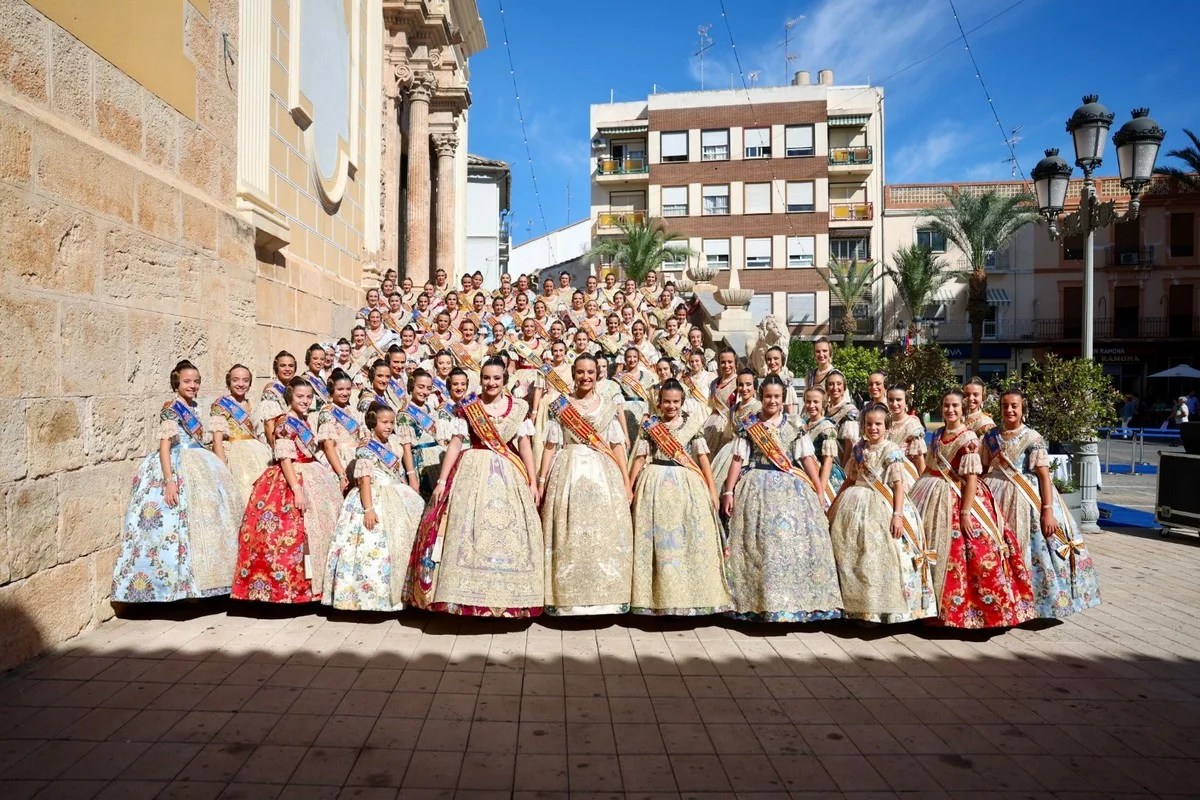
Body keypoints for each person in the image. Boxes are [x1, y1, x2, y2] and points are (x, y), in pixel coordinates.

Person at [409, 357, 544, 616]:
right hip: (473, 470)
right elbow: (455, 443)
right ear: (480, 379)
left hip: (509, 473)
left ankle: (510, 598)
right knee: (468, 530)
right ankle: (465, 598)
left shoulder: (518, 408)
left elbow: (524, 445)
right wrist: (442, 481)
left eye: (496, 378)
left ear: (505, 380)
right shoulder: (469, 406)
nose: (491, 383)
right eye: (486, 378)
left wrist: (532, 480)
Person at [113, 360, 241, 602]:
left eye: (196, 381)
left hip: (199, 461)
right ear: (176, 383)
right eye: (187, 381)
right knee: (176, 525)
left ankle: (202, 585)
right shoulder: (171, 409)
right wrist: (169, 481)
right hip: (177, 464)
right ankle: (172, 587)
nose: (193, 386)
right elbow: (164, 447)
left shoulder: (194, 407)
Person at [908, 390, 1034, 628]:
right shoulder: (937, 434)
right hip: (930, 493)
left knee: (972, 551)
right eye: (946, 406)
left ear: (962, 409)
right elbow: (930, 465)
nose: (950, 410)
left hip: (958, 497)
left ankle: (960, 612)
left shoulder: (968, 440)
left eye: (955, 406)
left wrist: (965, 512)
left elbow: (972, 478)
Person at [721, 375, 842, 622]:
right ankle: (757, 602)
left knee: (791, 542)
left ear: (783, 398)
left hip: (791, 487)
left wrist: (819, 489)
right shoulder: (749, 424)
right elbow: (738, 459)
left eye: (777, 396)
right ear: (761, 396)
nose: (772, 401)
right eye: (768, 396)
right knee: (759, 545)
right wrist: (729, 491)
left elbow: (807, 459)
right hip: (756, 486)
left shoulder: (795, 424)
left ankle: (793, 602)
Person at [982, 389, 1101, 619]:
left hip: (1024, 500)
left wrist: (1048, 511)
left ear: (1022, 409)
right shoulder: (990, 437)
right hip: (993, 497)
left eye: (1014, 406)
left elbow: (1045, 477)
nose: (1009, 410)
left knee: (1027, 549)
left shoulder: (1033, 439)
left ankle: (1029, 604)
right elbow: (985, 467)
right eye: (1005, 406)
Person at [538, 353, 634, 615]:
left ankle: (606, 598)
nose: (585, 377)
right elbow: (550, 445)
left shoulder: (608, 406)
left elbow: (616, 446)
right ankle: (567, 600)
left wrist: (626, 482)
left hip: (603, 474)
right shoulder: (560, 405)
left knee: (603, 532)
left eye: (590, 372)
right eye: (580, 372)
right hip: (568, 472)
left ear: (597, 374)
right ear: (573, 373)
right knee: (568, 533)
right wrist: (542, 479)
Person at [231, 378, 343, 603]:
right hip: (291, 479)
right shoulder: (284, 424)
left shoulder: (304, 420)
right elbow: (284, 459)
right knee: (292, 532)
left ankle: (316, 587)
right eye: (300, 396)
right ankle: (293, 589)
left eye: (309, 397)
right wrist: (297, 490)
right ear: (290, 397)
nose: (305, 401)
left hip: (312, 473)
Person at [628, 379, 731, 615]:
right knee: (658, 540)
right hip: (654, 484)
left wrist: (712, 490)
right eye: (666, 402)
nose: (671, 406)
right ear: (659, 402)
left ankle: (689, 596)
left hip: (687, 484)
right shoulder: (650, 426)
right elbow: (641, 458)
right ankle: (657, 598)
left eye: (675, 402)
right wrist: (630, 486)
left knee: (687, 539)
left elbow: (702, 458)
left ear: (682, 402)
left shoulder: (691, 426)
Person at [827, 404, 935, 623]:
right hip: (854, 503)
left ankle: (882, 610)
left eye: (878, 424)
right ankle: (857, 608)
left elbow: (898, 485)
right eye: (868, 424)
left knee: (878, 555)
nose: (873, 428)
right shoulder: (859, 448)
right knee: (851, 553)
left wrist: (897, 515)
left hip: (883, 506)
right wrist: (834, 504)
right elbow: (850, 479)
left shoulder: (891, 450)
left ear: (886, 426)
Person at [323, 403, 425, 611]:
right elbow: (365, 481)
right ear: (372, 422)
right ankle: (372, 598)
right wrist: (369, 510)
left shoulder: (393, 443)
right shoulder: (366, 449)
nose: (389, 426)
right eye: (384, 422)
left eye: (391, 423)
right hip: (373, 497)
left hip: (395, 493)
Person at [210, 364, 273, 507]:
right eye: (235, 380)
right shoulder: (222, 405)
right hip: (234, 454)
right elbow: (217, 440)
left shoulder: (251, 403)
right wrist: (223, 466)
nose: (240, 384)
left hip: (257, 452)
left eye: (245, 380)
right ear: (229, 382)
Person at [709, 368, 760, 492]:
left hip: (747, 454)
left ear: (755, 387)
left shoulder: (758, 408)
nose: (744, 388)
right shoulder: (734, 408)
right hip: (730, 450)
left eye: (748, 384)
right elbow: (729, 434)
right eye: (741, 385)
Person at [316, 370, 363, 495]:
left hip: (354, 458)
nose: (345, 393)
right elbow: (328, 447)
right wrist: (341, 475)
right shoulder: (328, 412)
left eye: (348, 389)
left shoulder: (351, 410)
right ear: (332, 390)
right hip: (339, 460)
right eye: (340, 389)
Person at [801, 386, 843, 508]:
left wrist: (821, 491)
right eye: (808, 402)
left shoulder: (827, 427)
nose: (811, 405)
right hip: (808, 474)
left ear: (823, 404)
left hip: (824, 477)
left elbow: (828, 461)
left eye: (816, 402)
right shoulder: (803, 424)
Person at [886, 384, 928, 479]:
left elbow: (919, 458)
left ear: (906, 401)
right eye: (891, 400)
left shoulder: (913, 425)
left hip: (905, 474)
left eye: (898, 400)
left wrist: (922, 481)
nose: (894, 404)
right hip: (885, 472)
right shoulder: (885, 421)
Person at [702, 348, 740, 451]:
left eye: (730, 362)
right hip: (710, 425)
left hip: (728, 429)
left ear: (735, 363)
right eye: (723, 362)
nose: (726, 365)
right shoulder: (714, 383)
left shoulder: (739, 383)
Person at [258, 350, 297, 446]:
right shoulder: (271, 390)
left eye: (291, 366)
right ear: (276, 368)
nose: (287, 369)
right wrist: (275, 447)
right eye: (283, 365)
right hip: (279, 443)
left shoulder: (295, 388)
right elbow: (269, 424)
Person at [825, 370, 860, 465]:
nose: (835, 387)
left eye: (839, 384)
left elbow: (849, 445)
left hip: (839, 463)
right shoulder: (823, 409)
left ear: (844, 387)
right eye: (831, 384)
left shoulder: (849, 410)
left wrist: (844, 469)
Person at [763, 345, 798, 415]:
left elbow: (790, 410)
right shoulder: (765, 380)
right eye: (769, 359)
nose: (772, 362)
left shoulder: (786, 382)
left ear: (782, 360)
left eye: (776, 358)